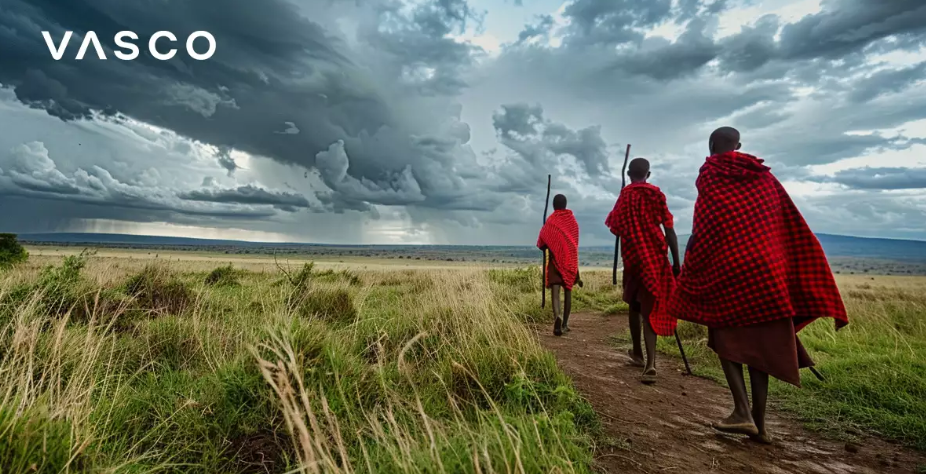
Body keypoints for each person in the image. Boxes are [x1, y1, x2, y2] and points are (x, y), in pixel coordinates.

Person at [669, 126, 849, 444]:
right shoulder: (763, 178)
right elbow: (786, 222)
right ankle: (760, 425)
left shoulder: (711, 173)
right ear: (738, 146)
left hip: (729, 268)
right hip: (767, 273)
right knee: (759, 346)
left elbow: (707, 225)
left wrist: (693, 260)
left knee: (724, 337)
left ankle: (742, 411)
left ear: (711, 145)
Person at [605, 158, 680, 384]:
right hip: (655, 258)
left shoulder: (625, 196)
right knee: (648, 306)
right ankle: (646, 360)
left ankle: (645, 359)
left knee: (634, 305)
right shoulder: (656, 195)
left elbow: (615, 226)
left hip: (633, 258)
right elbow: (669, 229)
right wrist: (676, 262)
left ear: (629, 174)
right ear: (648, 174)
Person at [537, 194, 582, 336]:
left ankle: (557, 316)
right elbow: (574, 243)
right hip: (570, 260)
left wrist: (551, 245)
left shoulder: (550, 221)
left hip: (555, 261)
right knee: (568, 290)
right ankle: (565, 324)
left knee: (555, 292)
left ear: (553, 205)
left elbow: (542, 244)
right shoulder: (572, 222)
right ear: (565, 204)